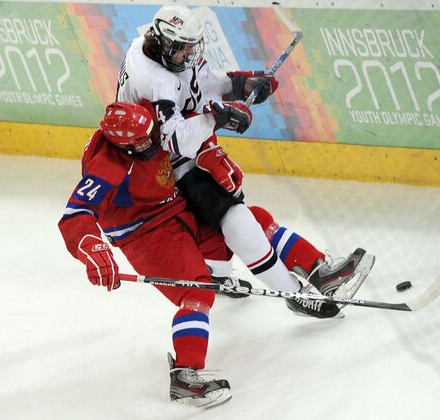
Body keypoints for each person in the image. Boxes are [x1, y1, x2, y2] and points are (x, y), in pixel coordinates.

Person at [115, 3, 372, 318]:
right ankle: (293, 293)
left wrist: (240, 85)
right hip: (158, 171)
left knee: (246, 217)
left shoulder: (164, 54)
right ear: (166, 44)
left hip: (176, 158)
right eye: (184, 50)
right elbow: (176, 139)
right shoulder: (154, 79)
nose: (189, 55)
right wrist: (218, 119)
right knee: (236, 218)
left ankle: (313, 270)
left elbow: (201, 80)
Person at [58, 101, 232, 408]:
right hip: (147, 233)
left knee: (245, 224)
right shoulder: (107, 165)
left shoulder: (145, 116)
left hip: (178, 206)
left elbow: (187, 120)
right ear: (120, 144)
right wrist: (92, 248)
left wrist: (210, 142)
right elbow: (75, 215)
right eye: (138, 143)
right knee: (197, 293)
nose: (149, 143)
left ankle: (313, 274)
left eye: (148, 135)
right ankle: (185, 374)